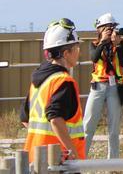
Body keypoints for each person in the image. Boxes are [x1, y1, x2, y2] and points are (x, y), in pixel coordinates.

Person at [22, 19, 86, 163]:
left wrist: (42, 141)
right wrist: (72, 153)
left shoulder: (39, 81)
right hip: (59, 161)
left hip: (35, 158)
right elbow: (56, 119)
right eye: (76, 48)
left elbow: (25, 119)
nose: (79, 53)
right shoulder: (63, 81)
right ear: (66, 53)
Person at [82, 13, 123, 159]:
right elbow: (94, 57)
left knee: (114, 128)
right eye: (108, 28)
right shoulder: (94, 44)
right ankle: (81, 158)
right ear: (100, 29)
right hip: (98, 86)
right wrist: (103, 42)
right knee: (88, 125)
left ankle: (113, 162)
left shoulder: (118, 44)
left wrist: (118, 45)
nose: (111, 30)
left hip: (114, 87)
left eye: (113, 27)